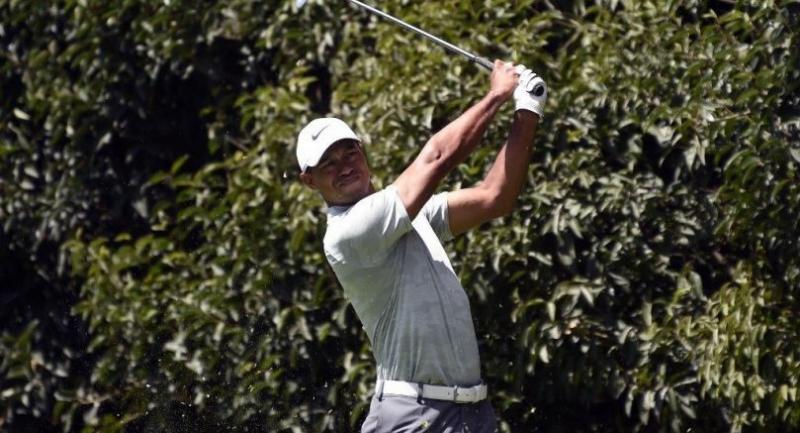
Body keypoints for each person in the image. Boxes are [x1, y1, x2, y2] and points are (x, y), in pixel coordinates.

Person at [296, 60, 547, 433]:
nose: (344, 166)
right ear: (309, 181)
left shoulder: (411, 216)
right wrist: (497, 94)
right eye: (327, 164)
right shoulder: (347, 233)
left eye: (349, 153)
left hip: (472, 413)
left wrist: (527, 109)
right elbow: (437, 157)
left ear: (362, 152)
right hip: (414, 415)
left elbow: (495, 197)